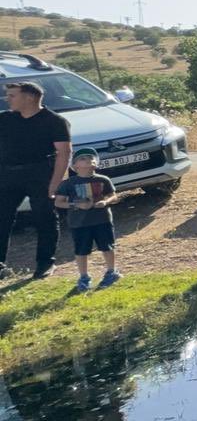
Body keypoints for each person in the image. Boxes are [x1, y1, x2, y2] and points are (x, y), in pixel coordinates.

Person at [0, 80, 71, 280]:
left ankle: (45, 263)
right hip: (7, 174)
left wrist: (55, 183)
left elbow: (64, 153)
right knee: (2, 219)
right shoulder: (5, 119)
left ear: (29, 97)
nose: (8, 99)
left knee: (44, 217)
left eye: (12, 95)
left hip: (40, 174)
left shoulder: (54, 121)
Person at [54, 148, 121, 292]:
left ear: (96, 164)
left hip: (102, 220)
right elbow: (58, 202)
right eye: (83, 158)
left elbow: (114, 196)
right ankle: (84, 277)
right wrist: (76, 204)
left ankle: (112, 272)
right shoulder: (68, 183)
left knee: (107, 246)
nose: (88, 159)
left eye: (91, 158)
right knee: (81, 250)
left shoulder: (103, 180)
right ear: (75, 166)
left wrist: (105, 202)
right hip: (79, 222)